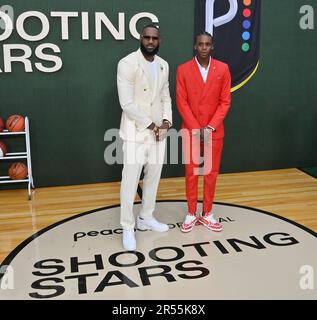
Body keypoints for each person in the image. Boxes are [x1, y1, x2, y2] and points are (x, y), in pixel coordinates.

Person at [117, 23, 172, 250]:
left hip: (159, 133)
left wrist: (167, 122)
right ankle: (128, 227)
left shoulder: (163, 65)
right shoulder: (127, 63)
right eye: (147, 38)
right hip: (135, 132)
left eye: (154, 38)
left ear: (159, 40)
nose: (151, 42)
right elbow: (126, 103)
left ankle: (146, 218)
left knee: (153, 177)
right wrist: (152, 125)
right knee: (130, 182)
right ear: (141, 38)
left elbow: (165, 96)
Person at [176, 31, 231, 233]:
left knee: (210, 173)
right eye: (201, 44)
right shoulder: (182, 70)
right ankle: (191, 213)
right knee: (191, 173)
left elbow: (225, 102)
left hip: (213, 132)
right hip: (191, 131)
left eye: (208, 44)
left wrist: (209, 128)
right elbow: (181, 102)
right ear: (195, 46)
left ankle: (207, 213)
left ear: (212, 46)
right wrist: (196, 128)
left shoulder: (223, 69)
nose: (204, 47)